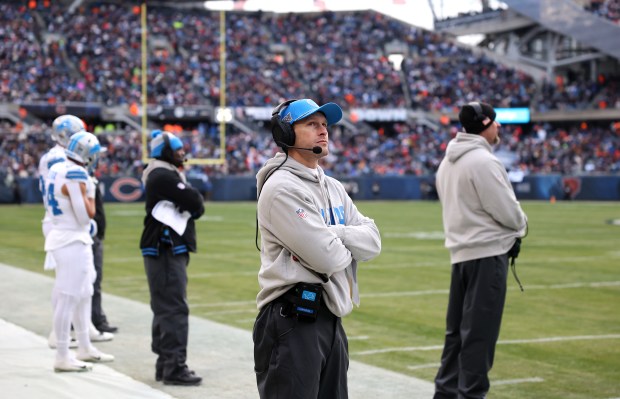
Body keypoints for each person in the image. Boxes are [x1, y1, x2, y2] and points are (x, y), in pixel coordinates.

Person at [253, 98, 382, 398]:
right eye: (311, 124)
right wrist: (345, 239)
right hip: (292, 320)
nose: (323, 131)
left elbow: (373, 241)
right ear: (285, 133)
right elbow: (329, 257)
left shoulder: (334, 186)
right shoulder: (281, 188)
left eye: (324, 125)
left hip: (331, 318)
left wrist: (332, 232)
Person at [433, 101, 528, 399]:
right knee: (479, 336)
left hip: (460, 254)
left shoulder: (447, 161)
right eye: (495, 121)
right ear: (486, 123)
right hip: (486, 256)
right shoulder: (484, 162)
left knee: (456, 335)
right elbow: (508, 213)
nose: (499, 126)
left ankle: (445, 393)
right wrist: (522, 225)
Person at [39, 115, 114, 348]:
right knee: (67, 285)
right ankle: (59, 334)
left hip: (64, 221)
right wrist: (89, 195)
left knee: (85, 280)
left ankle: (85, 329)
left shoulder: (56, 158)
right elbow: (78, 204)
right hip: (65, 223)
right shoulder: (63, 161)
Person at [140, 130, 205, 386]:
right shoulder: (161, 174)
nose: (182, 153)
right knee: (174, 308)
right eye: (178, 150)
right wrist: (192, 200)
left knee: (164, 307)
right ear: (165, 152)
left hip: (163, 249)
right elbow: (195, 201)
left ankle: (165, 364)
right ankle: (174, 368)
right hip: (164, 248)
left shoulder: (161, 173)